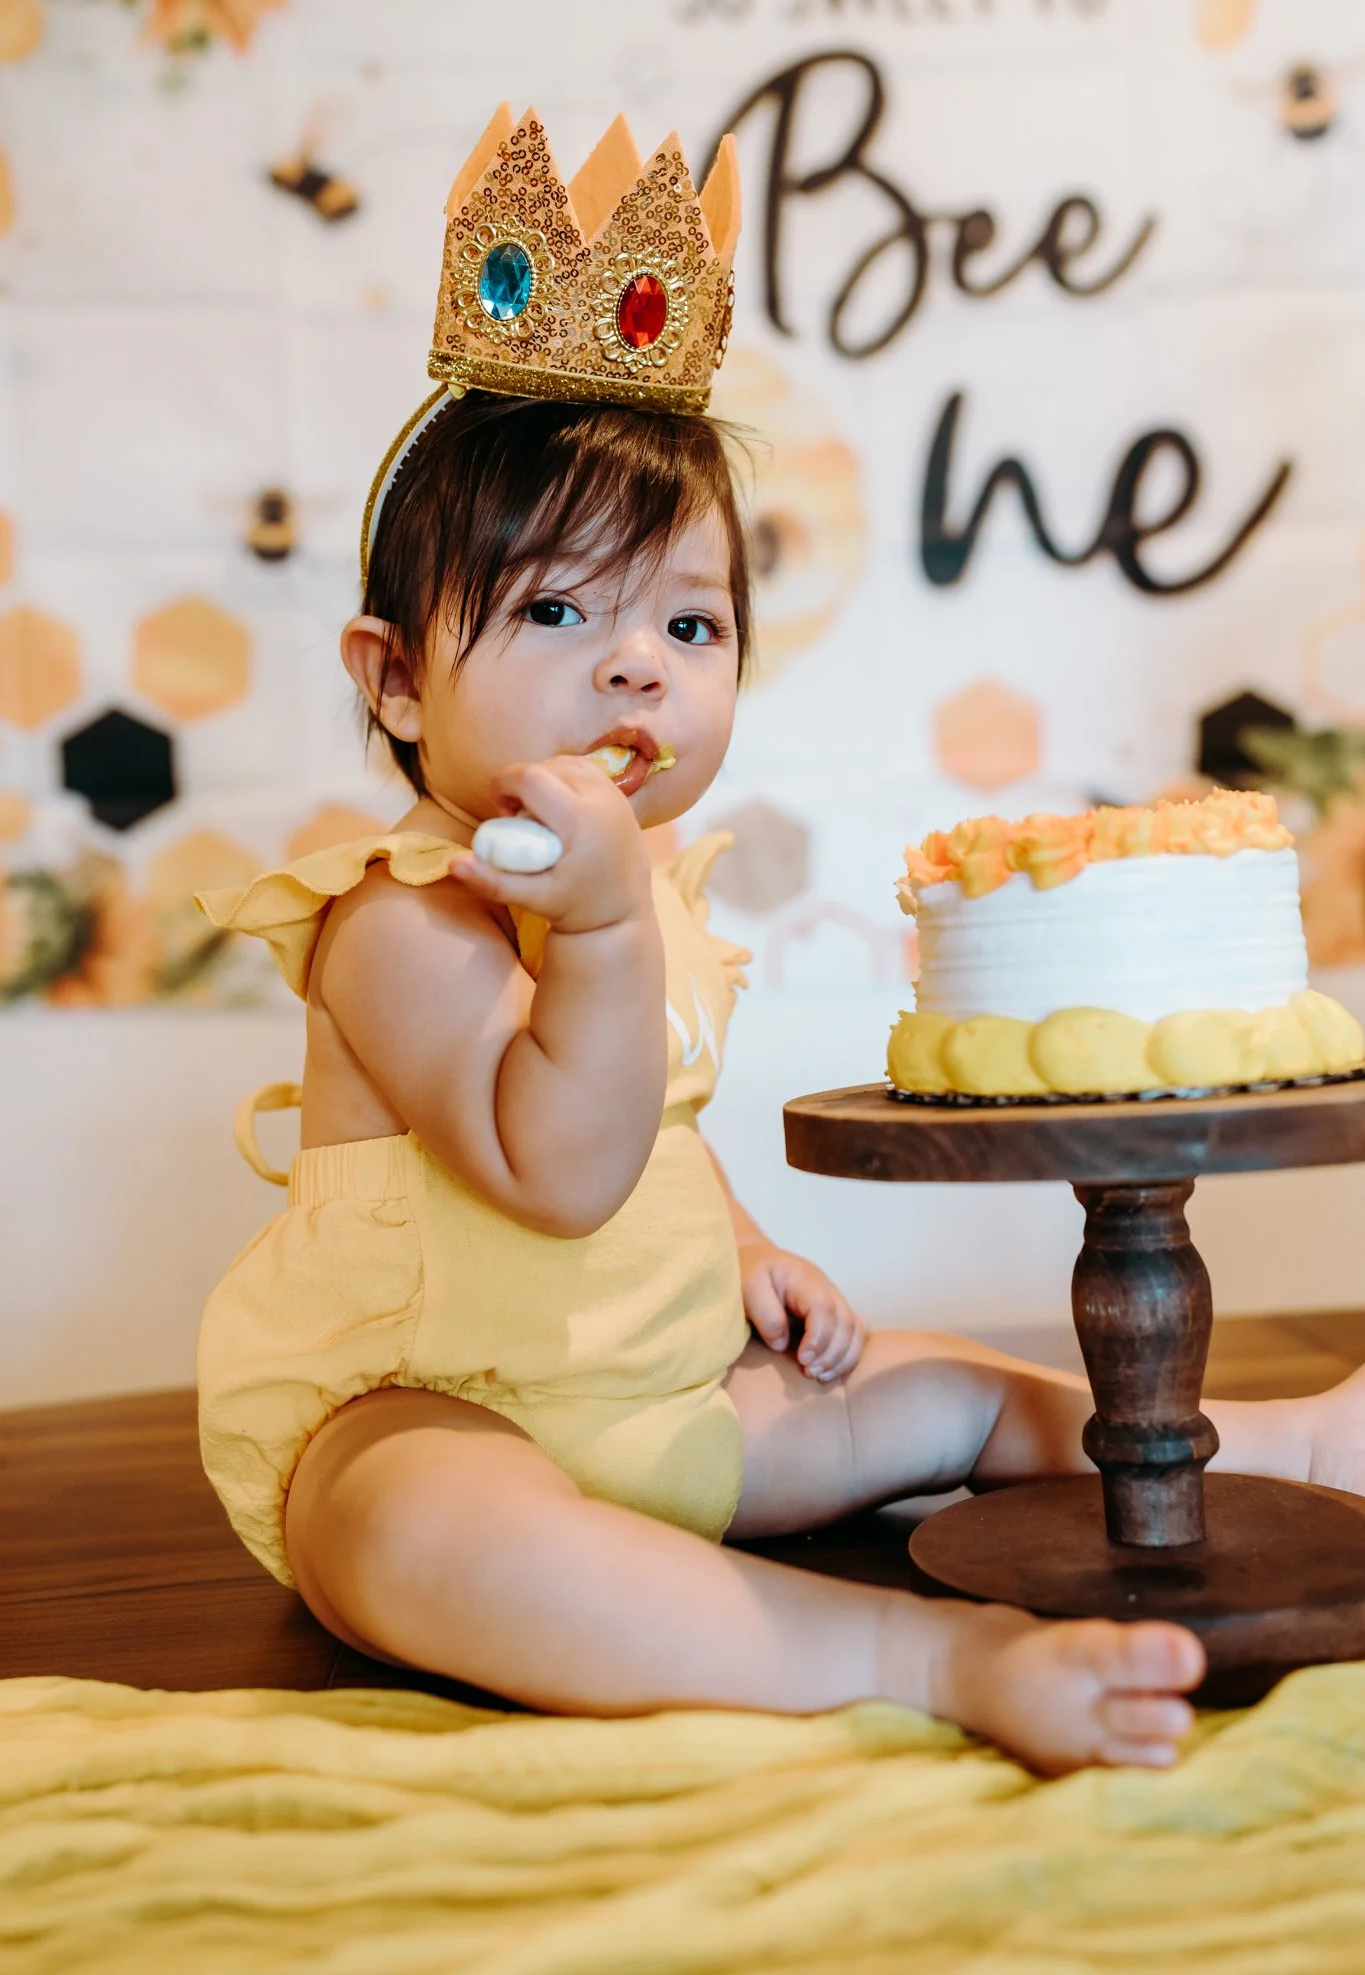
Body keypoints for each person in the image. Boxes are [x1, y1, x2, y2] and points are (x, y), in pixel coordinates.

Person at [195, 109, 1365, 1777]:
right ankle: (920, 1654)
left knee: (945, 1391)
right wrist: (594, 924)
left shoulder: (648, 879)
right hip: (435, 1408)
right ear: (393, 679)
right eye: (552, 612)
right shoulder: (395, 913)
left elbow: (653, 1128)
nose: (637, 672)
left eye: (688, 621)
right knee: (427, 1538)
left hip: (668, 1410)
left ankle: (1281, 1445)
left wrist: (738, 1239)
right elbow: (556, 1168)